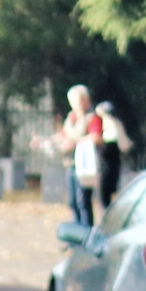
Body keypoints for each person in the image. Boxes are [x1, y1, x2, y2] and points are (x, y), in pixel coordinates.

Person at [51, 86, 103, 224]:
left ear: (86, 100)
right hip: (71, 164)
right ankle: (76, 234)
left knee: (83, 201)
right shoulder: (71, 118)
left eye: (77, 101)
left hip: (85, 166)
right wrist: (45, 140)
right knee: (73, 202)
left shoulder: (92, 117)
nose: (75, 105)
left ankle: (86, 235)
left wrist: (76, 142)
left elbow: (97, 137)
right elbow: (63, 135)